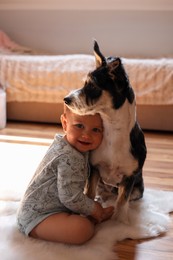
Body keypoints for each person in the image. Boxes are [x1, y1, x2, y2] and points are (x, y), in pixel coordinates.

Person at [17, 105, 114, 245]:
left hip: (53, 208)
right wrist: (94, 208)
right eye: (79, 126)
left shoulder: (65, 144)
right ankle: (39, 232)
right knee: (82, 229)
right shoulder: (69, 157)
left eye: (96, 130)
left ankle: (77, 218)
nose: (87, 135)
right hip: (38, 217)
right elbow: (70, 197)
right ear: (64, 123)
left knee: (79, 220)